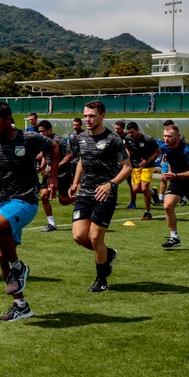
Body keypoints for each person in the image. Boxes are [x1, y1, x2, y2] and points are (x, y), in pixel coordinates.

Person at [0, 102, 58, 322]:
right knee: (2, 254)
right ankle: (21, 305)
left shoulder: (27, 138)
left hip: (26, 199)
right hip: (4, 200)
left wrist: (53, 176)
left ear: (9, 119)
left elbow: (54, 147)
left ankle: (19, 267)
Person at [68, 102, 132, 292]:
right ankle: (109, 254)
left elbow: (127, 166)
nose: (88, 119)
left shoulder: (113, 140)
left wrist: (111, 184)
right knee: (79, 236)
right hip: (85, 192)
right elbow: (82, 160)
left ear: (102, 116)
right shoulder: (80, 138)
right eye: (86, 116)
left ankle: (101, 278)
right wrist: (75, 182)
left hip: (105, 193)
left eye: (92, 116)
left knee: (96, 237)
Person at [37, 120, 75, 232]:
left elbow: (69, 155)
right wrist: (42, 167)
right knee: (44, 196)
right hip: (49, 172)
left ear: (50, 130)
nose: (41, 134)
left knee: (63, 200)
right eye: (39, 131)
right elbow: (45, 155)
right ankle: (51, 224)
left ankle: (81, 199)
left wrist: (56, 166)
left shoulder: (59, 140)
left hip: (62, 172)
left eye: (43, 131)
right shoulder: (42, 141)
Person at [124, 121, 161, 221]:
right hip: (135, 166)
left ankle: (148, 212)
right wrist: (128, 155)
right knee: (136, 189)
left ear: (138, 130)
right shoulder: (127, 138)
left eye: (132, 132)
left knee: (144, 189)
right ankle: (153, 192)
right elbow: (127, 147)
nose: (130, 134)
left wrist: (148, 160)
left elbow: (158, 152)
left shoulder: (148, 139)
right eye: (129, 132)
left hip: (148, 166)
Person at [114, 120, 137, 209]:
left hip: (129, 164)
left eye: (118, 128)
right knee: (115, 182)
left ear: (123, 128)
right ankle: (114, 201)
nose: (116, 130)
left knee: (132, 184)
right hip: (117, 164)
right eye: (115, 128)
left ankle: (133, 202)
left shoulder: (129, 137)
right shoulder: (114, 137)